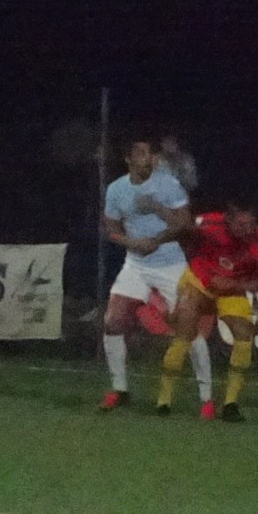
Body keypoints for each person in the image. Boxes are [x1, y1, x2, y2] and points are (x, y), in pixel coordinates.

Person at [100, 135, 213, 416]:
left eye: (150, 154)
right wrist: (132, 243)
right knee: (113, 321)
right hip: (135, 264)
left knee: (189, 326)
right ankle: (119, 389)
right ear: (128, 158)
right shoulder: (116, 189)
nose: (148, 159)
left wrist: (156, 236)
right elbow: (110, 229)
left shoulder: (168, 184)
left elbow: (185, 224)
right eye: (141, 153)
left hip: (171, 264)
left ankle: (207, 399)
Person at [156, 199, 258, 422]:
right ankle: (164, 400)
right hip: (199, 280)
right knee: (184, 332)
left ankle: (230, 404)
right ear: (228, 220)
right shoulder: (210, 223)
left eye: (251, 225)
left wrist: (235, 284)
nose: (247, 230)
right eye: (241, 225)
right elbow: (185, 232)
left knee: (244, 334)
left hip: (231, 290)